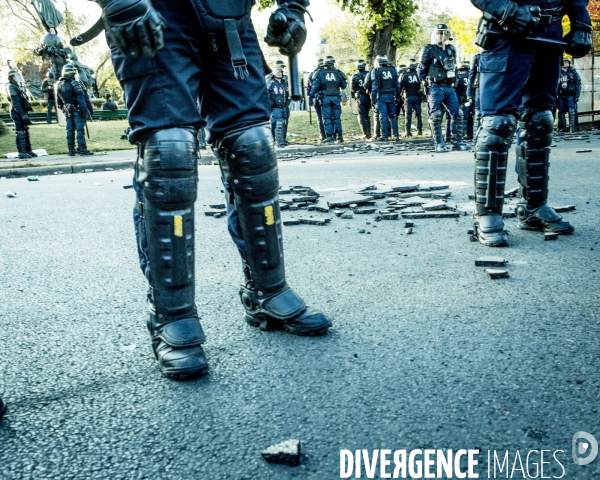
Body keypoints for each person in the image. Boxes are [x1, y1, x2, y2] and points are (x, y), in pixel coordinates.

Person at [93, 0, 332, 379]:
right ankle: (171, 315)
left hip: (230, 15)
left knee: (253, 145)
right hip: (153, 11)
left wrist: (292, 4)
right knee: (168, 151)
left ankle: (266, 291)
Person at [470, 0, 591, 247]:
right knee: (498, 125)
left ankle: (533, 207)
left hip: (551, 33)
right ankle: (487, 214)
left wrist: (581, 22)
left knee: (540, 120)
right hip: (508, 29)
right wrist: (506, 11)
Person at [418, 24, 470, 153]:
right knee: (436, 115)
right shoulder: (429, 49)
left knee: (458, 113)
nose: (441, 35)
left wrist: (455, 81)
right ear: (435, 35)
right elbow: (421, 68)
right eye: (438, 33)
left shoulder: (451, 49)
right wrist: (425, 83)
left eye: (443, 33)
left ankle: (457, 141)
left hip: (448, 86)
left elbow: (454, 68)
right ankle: (439, 144)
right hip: (435, 87)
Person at [56, 63, 94, 156]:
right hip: (77, 110)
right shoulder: (75, 83)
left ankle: (71, 150)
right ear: (71, 74)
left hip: (67, 110)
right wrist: (86, 110)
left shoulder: (59, 85)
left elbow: (59, 102)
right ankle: (82, 149)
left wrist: (64, 108)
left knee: (70, 130)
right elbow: (81, 99)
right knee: (80, 130)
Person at [309, 55, 347, 143]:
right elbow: (344, 86)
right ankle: (339, 136)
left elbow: (315, 86)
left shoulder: (320, 73)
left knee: (327, 118)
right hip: (336, 98)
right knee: (337, 118)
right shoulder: (338, 73)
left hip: (325, 98)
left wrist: (311, 96)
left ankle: (329, 137)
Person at [6, 69, 37, 159]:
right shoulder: (11, 86)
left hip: (21, 111)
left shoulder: (17, 86)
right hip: (17, 112)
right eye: (16, 76)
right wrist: (22, 114)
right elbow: (16, 103)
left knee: (25, 131)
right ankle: (22, 152)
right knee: (20, 132)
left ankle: (28, 150)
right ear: (12, 77)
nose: (18, 78)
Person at [371, 54, 400, 141]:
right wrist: (398, 96)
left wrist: (373, 99)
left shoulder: (376, 71)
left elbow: (375, 87)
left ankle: (385, 135)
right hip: (392, 96)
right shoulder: (393, 69)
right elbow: (397, 85)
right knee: (392, 116)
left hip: (382, 96)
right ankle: (396, 135)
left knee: (383, 116)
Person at [399, 58, 423, 137]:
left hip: (408, 97)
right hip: (417, 96)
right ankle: (420, 131)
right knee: (418, 114)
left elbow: (400, 86)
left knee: (408, 114)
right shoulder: (419, 74)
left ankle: (408, 132)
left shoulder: (405, 75)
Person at [267, 64, 289, 147]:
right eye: (277, 72)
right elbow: (265, 93)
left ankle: (283, 139)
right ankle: (277, 141)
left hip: (284, 107)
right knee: (277, 124)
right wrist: (270, 103)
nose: (279, 73)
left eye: (280, 72)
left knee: (284, 123)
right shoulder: (270, 82)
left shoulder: (284, 82)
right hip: (275, 108)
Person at [556, 57, 581, 133]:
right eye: (564, 62)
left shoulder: (572, 72)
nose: (566, 64)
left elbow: (578, 83)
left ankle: (572, 127)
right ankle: (562, 127)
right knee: (561, 112)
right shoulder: (559, 72)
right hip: (561, 95)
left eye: (567, 62)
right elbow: (555, 84)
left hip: (570, 95)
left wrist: (577, 95)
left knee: (572, 111)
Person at [350, 59, 372, 139]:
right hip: (368, 96)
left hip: (360, 97)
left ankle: (365, 133)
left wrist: (353, 96)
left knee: (361, 116)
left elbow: (353, 89)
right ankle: (369, 132)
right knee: (367, 115)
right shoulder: (369, 74)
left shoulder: (355, 76)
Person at [307, 58, 326, 142]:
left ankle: (322, 135)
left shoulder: (312, 74)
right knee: (328, 117)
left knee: (319, 117)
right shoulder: (325, 73)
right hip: (324, 96)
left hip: (315, 96)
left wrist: (310, 97)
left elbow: (309, 87)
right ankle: (330, 134)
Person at [454, 60, 471, 138]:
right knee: (473, 117)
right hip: (474, 98)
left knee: (464, 117)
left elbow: (457, 89)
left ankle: (462, 134)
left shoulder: (459, 76)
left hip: (464, 99)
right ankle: (471, 134)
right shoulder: (473, 75)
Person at [467, 51, 481, 136]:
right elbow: (471, 76)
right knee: (478, 113)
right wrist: (469, 93)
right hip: (480, 87)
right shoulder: (477, 57)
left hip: (495, 87)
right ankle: (476, 138)